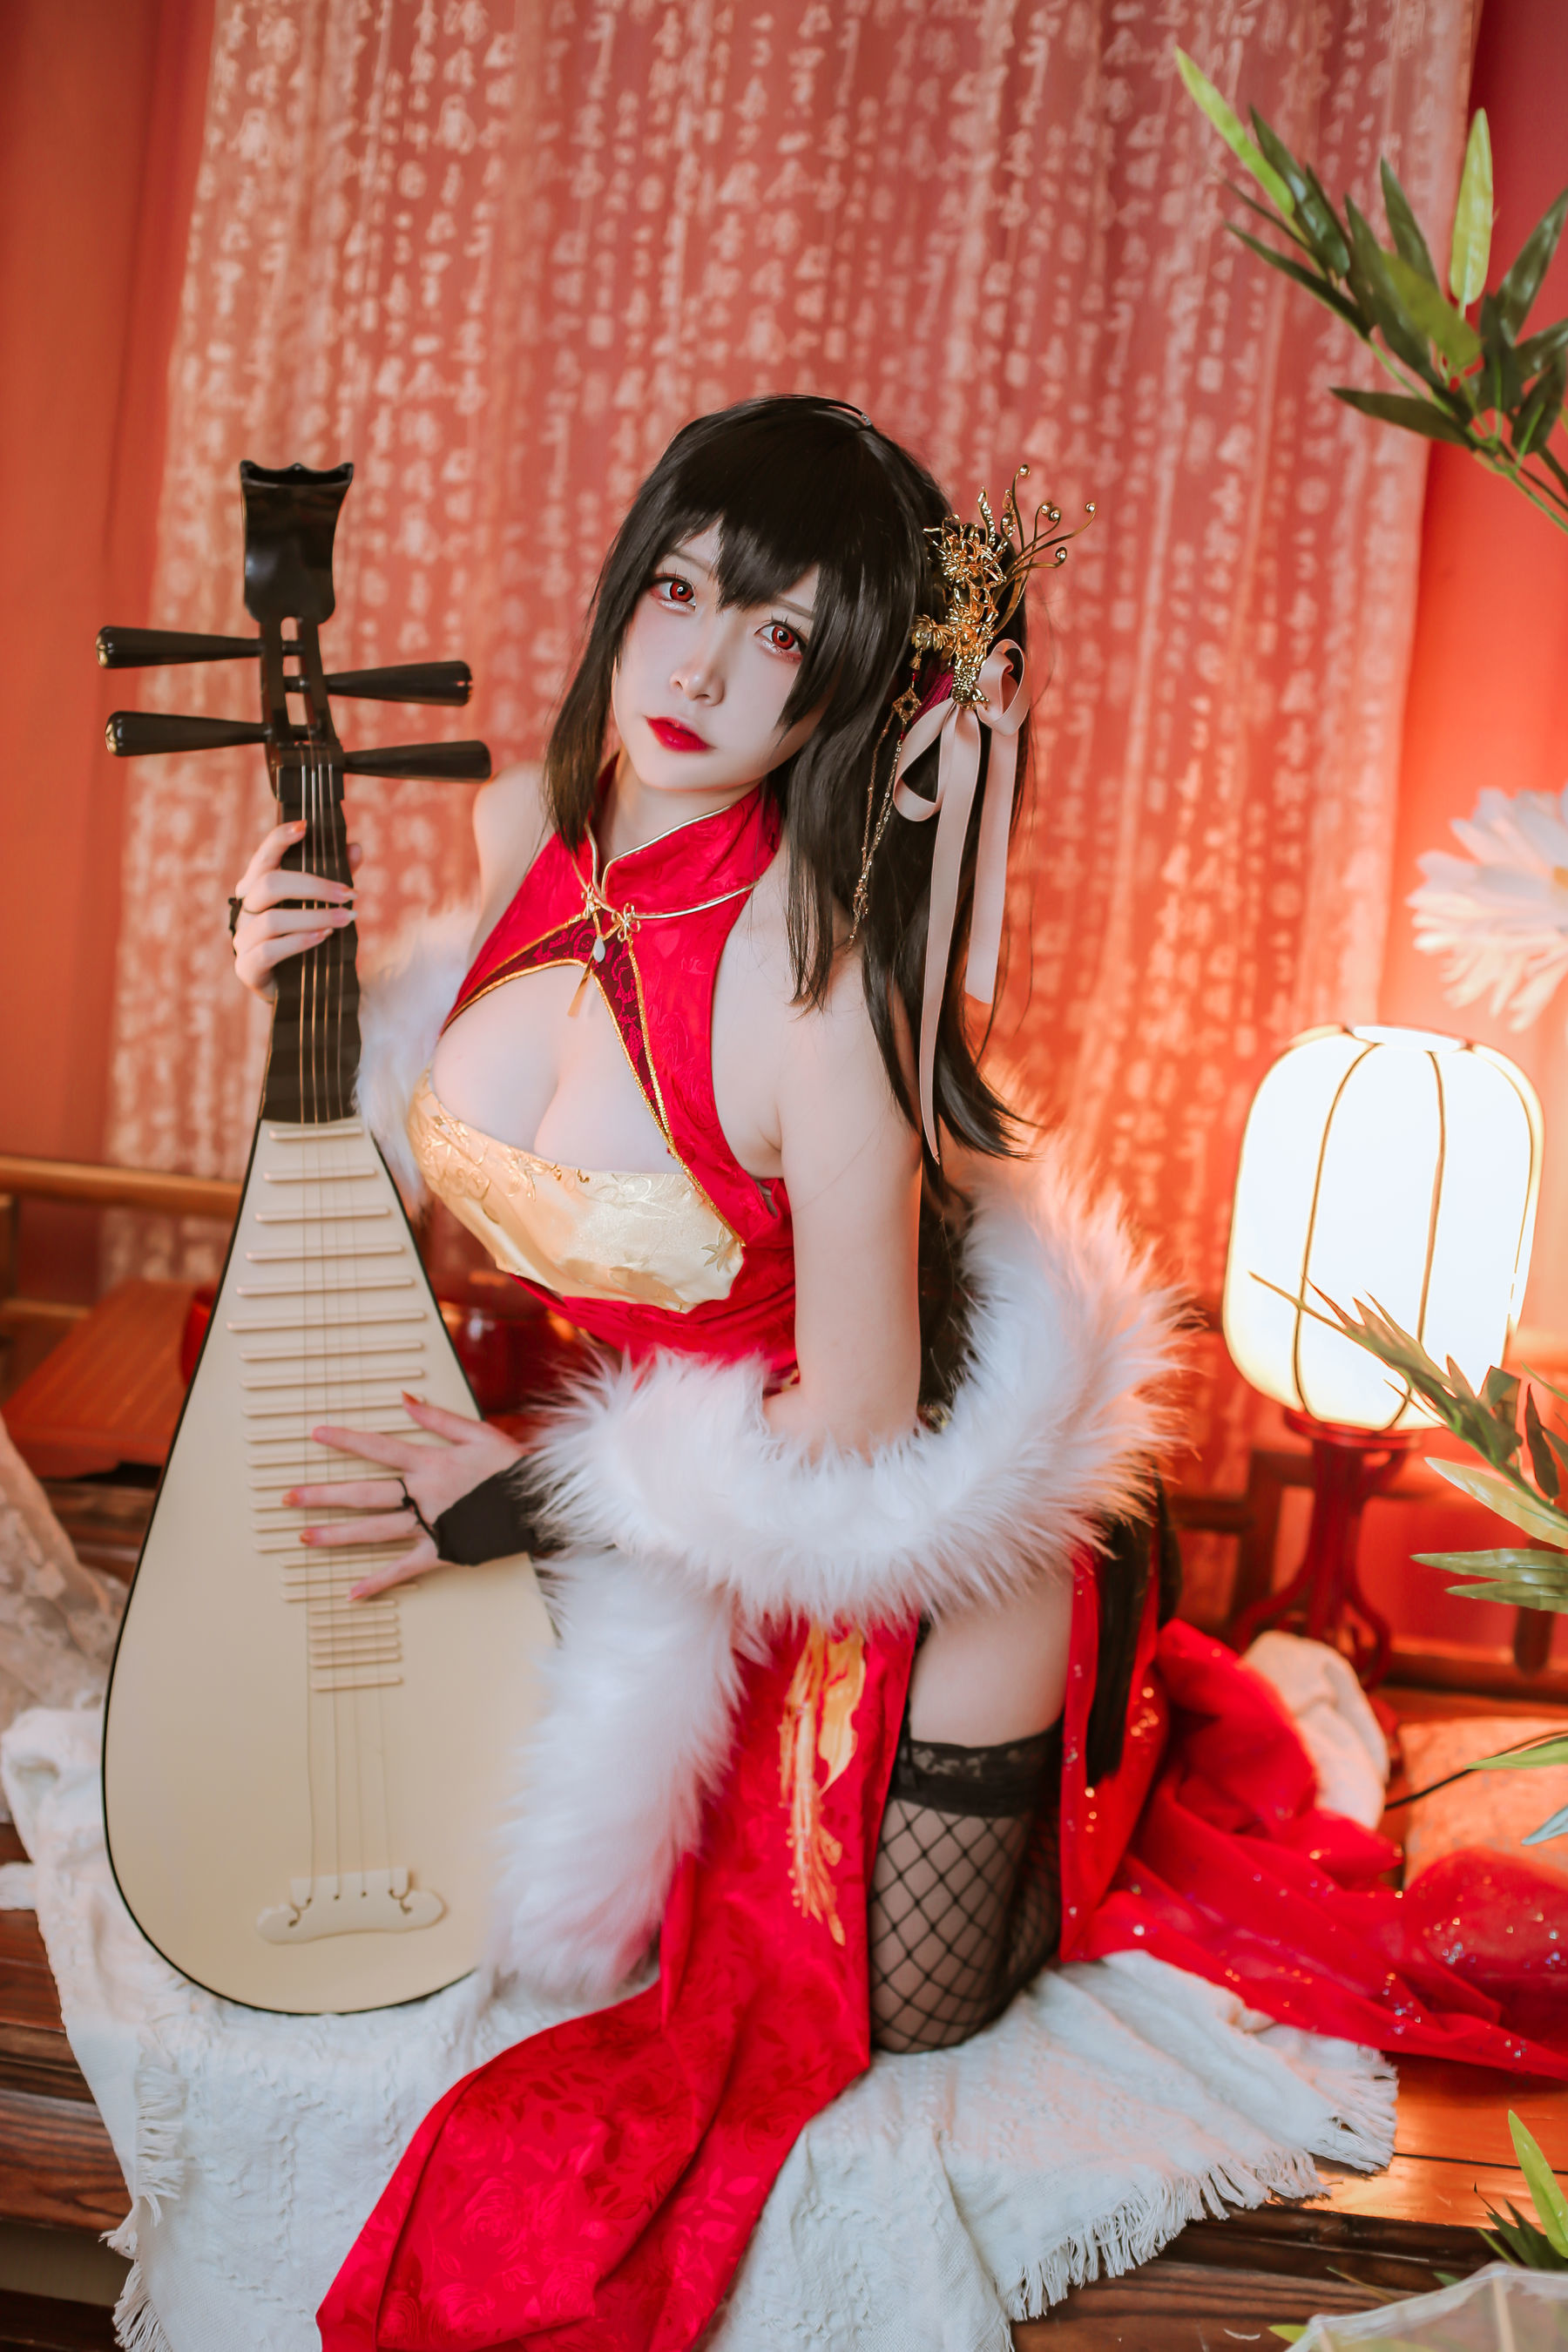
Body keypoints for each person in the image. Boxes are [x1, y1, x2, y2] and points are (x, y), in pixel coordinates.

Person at [228, 397, 1565, 2352]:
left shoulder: (819, 994)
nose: (700, 669)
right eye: (681, 590)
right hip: (659, 1515)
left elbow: (850, 1429)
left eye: (779, 632)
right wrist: (296, 998)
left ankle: (1111, 1736)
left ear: (847, 680)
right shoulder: (531, 829)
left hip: (903, 1560)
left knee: (901, 2004)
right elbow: (430, 1167)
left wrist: (518, 1494)